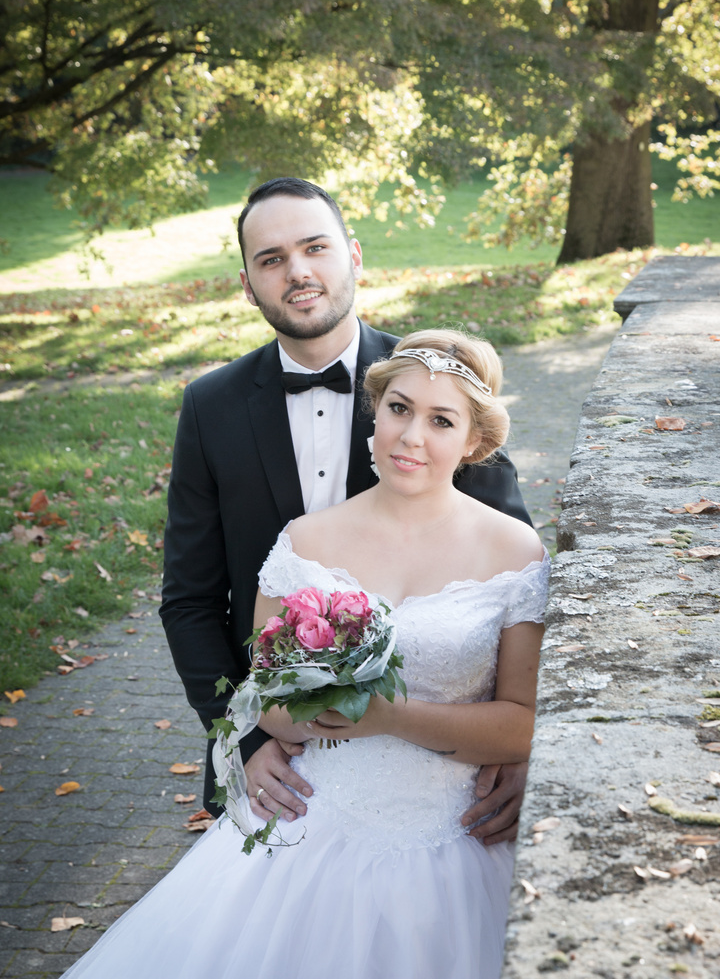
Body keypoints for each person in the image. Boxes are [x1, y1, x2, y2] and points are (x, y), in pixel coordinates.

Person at [60, 329, 549, 979]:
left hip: (459, 835)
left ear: (474, 441)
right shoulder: (305, 543)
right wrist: (311, 700)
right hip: (311, 823)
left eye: (441, 420)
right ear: (375, 413)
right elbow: (267, 701)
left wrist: (386, 714)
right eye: (399, 409)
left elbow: (522, 722)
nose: (410, 436)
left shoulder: (514, 553)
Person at [160, 177, 533, 842]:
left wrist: (515, 750)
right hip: (286, 771)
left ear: (353, 256)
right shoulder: (209, 408)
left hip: (449, 782)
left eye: (315, 248)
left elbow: (518, 597)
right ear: (248, 283)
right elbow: (189, 600)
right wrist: (246, 737)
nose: (298, 272)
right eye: (271, 259)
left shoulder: (434, 386)